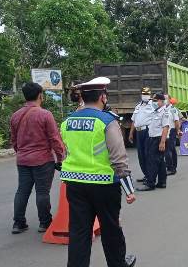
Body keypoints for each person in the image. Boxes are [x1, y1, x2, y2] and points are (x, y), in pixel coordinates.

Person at [59, 77, 136, 267]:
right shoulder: (107, 121)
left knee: (79, 231)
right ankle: (118, 264)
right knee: (111, 229)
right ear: (103, 97)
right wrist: (129, 189)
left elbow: (65, 151)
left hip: (74, 184)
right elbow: (119, 158)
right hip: (104, 186)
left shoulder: (67, 121)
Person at [9, 82, 66, 234]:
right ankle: (45, 223)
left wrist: (21, 153)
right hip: (42, 160)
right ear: (40, 95)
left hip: (23, 160)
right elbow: (55, 139)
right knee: (42, 192)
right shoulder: (45, 114)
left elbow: (14, 140)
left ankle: (18, 223)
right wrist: (61, 158)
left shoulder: (15, 115)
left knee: (22, 191)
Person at [136, 93, 171, 191]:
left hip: (158, 139)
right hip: (154, 138)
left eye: (155, 100)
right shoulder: (155, 112)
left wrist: (162, 142)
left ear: (161, 101)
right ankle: (162, 182)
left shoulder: (164, 112)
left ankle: (150, 183)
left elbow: (165, 127)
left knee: (152, 161)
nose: (153, 102)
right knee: (160, 162)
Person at [128, 87, 153, 183]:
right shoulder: (138, 106)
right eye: (143, 94)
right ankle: (146, 174)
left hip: (147, 131)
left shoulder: (153, 105)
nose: (145, 96)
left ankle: (151, 176)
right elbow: (134, 120)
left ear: (150, 95)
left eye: (147, 94)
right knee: (141, 155)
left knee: (148, 154)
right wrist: (131, 133)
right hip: (138, 132)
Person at [165, 95, 182, 176]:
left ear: (169, 100)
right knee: (170, 150)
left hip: (171, 131)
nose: (164, 100)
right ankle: (172, 167)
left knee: (169, 150)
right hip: (164, 131)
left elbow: (176, 121)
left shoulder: (172, 109)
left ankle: (171, 168)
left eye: (166, 98)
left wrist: (177, 130)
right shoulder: (162, 109)